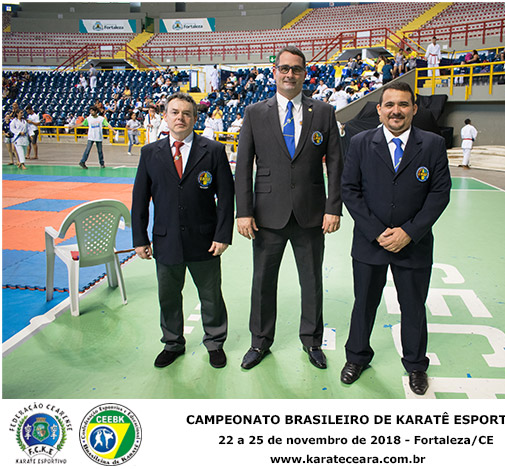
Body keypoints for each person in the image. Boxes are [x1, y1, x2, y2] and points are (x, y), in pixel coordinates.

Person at [235, 46, 343, 370]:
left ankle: (312, 341)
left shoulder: (323, 112)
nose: (290, 74)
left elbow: (336, 163)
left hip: (311, 213)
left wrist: (333, 207)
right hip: (267, 215)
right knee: (263, 282)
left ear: (304, 73)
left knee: (311, 282)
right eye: (284, 68)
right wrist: (244, 211)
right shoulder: (255, 113)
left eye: (296, 69)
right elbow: (244, 166)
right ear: (275, 73)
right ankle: (260, 341)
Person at [339, 82, 451, 395]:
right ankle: (357, 357)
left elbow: (439, 193)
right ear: (379, 110)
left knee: (413, 306)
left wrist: (409, 232)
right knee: (364, 304)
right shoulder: (360, 142)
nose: (396, 111)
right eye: (389, 105)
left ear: (414, 109)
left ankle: (416, 365)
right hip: (369, 242)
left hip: (413, 244)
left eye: (403, 104)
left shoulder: (432, 144)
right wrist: (376, 231)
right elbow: (350, 190)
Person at [131, 92, 234, 369]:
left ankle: (215, 342)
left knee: (211, 296)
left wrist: (222, 235)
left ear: (195, 118)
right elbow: (140, 199)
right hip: (166, 240)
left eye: (187, 113)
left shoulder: (213, 151)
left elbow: (226, 198)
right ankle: (172, 343)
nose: (180, 118)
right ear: (165, 117)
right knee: (168, 297)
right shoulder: (150, 153)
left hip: (205, 239)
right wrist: (140, 238)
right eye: (175, 112)